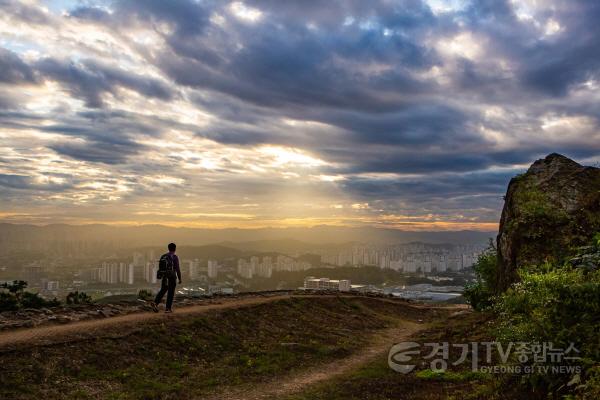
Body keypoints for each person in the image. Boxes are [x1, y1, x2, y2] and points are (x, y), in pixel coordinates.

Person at [151, 243, 181, 313]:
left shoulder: (163, 256)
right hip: (172, 277)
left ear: (168, 248)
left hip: (165, 276)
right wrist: (180, 278)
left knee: (163, 290)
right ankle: (168, 309)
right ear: (175, 249)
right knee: (171, 292)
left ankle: (155, 303)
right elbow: (177, 269)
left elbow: (161, 268)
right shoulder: (174, 257)